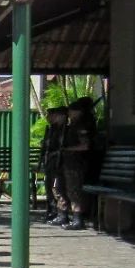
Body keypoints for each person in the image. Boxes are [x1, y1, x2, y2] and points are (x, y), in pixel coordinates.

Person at [60, 97, 94, 230]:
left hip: (76, 163)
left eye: (71, 111)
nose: (69, 114)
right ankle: (75, 217)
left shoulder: (81, 125)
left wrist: (68, 149)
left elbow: (85, 145)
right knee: (70, 190)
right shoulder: (73, 125)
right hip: (71, 162)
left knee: (75, 190)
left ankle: (78, 219)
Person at [40, 106, 68, 224]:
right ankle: (51, 211)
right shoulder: (51, 129)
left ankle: (61, 213)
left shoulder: (65, 129)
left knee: (57, 188)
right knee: (49, 187)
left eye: (52, 115)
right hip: (50, 162)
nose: (49, 118)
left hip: (59, 163)